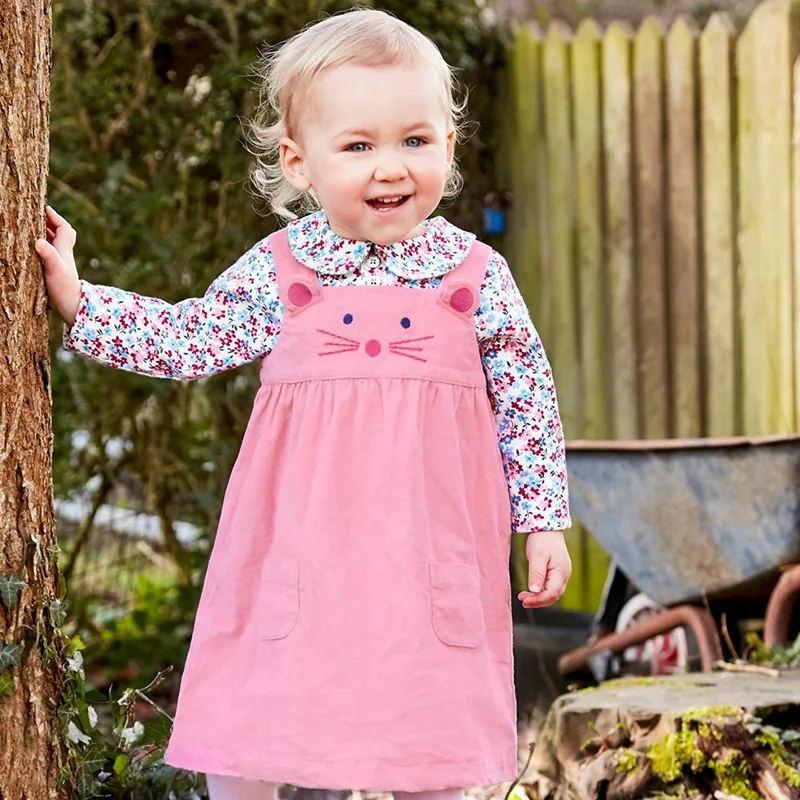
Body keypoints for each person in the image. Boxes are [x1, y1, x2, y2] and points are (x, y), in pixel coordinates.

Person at [36, 8, 572, 800]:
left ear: (449, 147)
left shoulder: (476, 275)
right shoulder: (284, 268)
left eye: (414, 140)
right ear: (300, 163)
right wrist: (83, 302)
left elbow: (528, 400)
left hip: (430, 547)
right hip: (300, 544)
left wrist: (543, 520)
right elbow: (192, 337)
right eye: (358, 146)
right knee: (260, 701)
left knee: (431, 712)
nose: (390, 168)